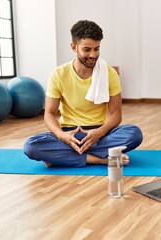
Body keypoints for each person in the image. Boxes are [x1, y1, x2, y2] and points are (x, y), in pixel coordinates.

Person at [23, 20, 143, 167]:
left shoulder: (109, 73)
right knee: (31, 146)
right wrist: (63, 136)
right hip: (68, 133)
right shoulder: (59, 74)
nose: (93, 55)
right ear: (74, 47)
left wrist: (98, 133)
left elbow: (116, 114)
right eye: (87, 49)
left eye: (97, 49)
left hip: (99, 133)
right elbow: (49, 114)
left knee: (134, 133)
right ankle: (99, 159)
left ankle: (62, 157)